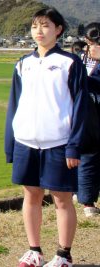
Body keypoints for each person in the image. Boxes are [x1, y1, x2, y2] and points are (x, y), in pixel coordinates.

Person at [4, 8, 88, 267]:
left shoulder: (70, 63)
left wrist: (74, 146)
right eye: (34, 27)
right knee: (31, 195)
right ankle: (34, 250)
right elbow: (14, 105)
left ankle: (64, 255)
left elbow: (80, 107)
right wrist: (11, 143)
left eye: (45, 26)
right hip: (26, 141)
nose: (39, 32)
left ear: (58, 30)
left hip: (59, 142)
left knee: (62, 198)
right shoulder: (23, 64)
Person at [75, 22, 100, 217]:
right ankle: (87, 201)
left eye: (91, 43)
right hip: (89, 114)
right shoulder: (83, 59)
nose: (88, 48)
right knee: (88, 155)